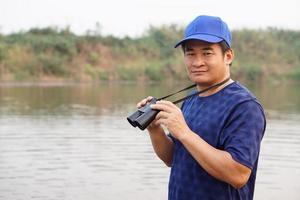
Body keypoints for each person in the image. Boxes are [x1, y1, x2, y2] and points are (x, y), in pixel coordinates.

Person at [137, 15, 266, 200]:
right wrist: (155, 129)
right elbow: (173, 158)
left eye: (207, 53)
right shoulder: (191, 98)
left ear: (228, 56)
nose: (197, 62)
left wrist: (185, 133)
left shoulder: (244, 106)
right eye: (190, 54)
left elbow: (238, 175)